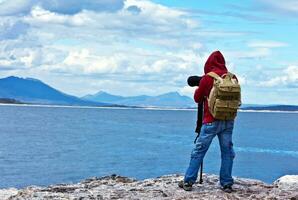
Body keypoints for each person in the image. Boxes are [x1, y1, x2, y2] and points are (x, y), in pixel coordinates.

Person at [179, 51, 237, 193]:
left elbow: (197, 98)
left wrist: (201, 86)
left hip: (210, 121)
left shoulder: (207, 78)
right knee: (227, 152)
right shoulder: (232, 77)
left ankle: (188, 181)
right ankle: (226, 183)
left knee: (199, 151)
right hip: (228, 120)